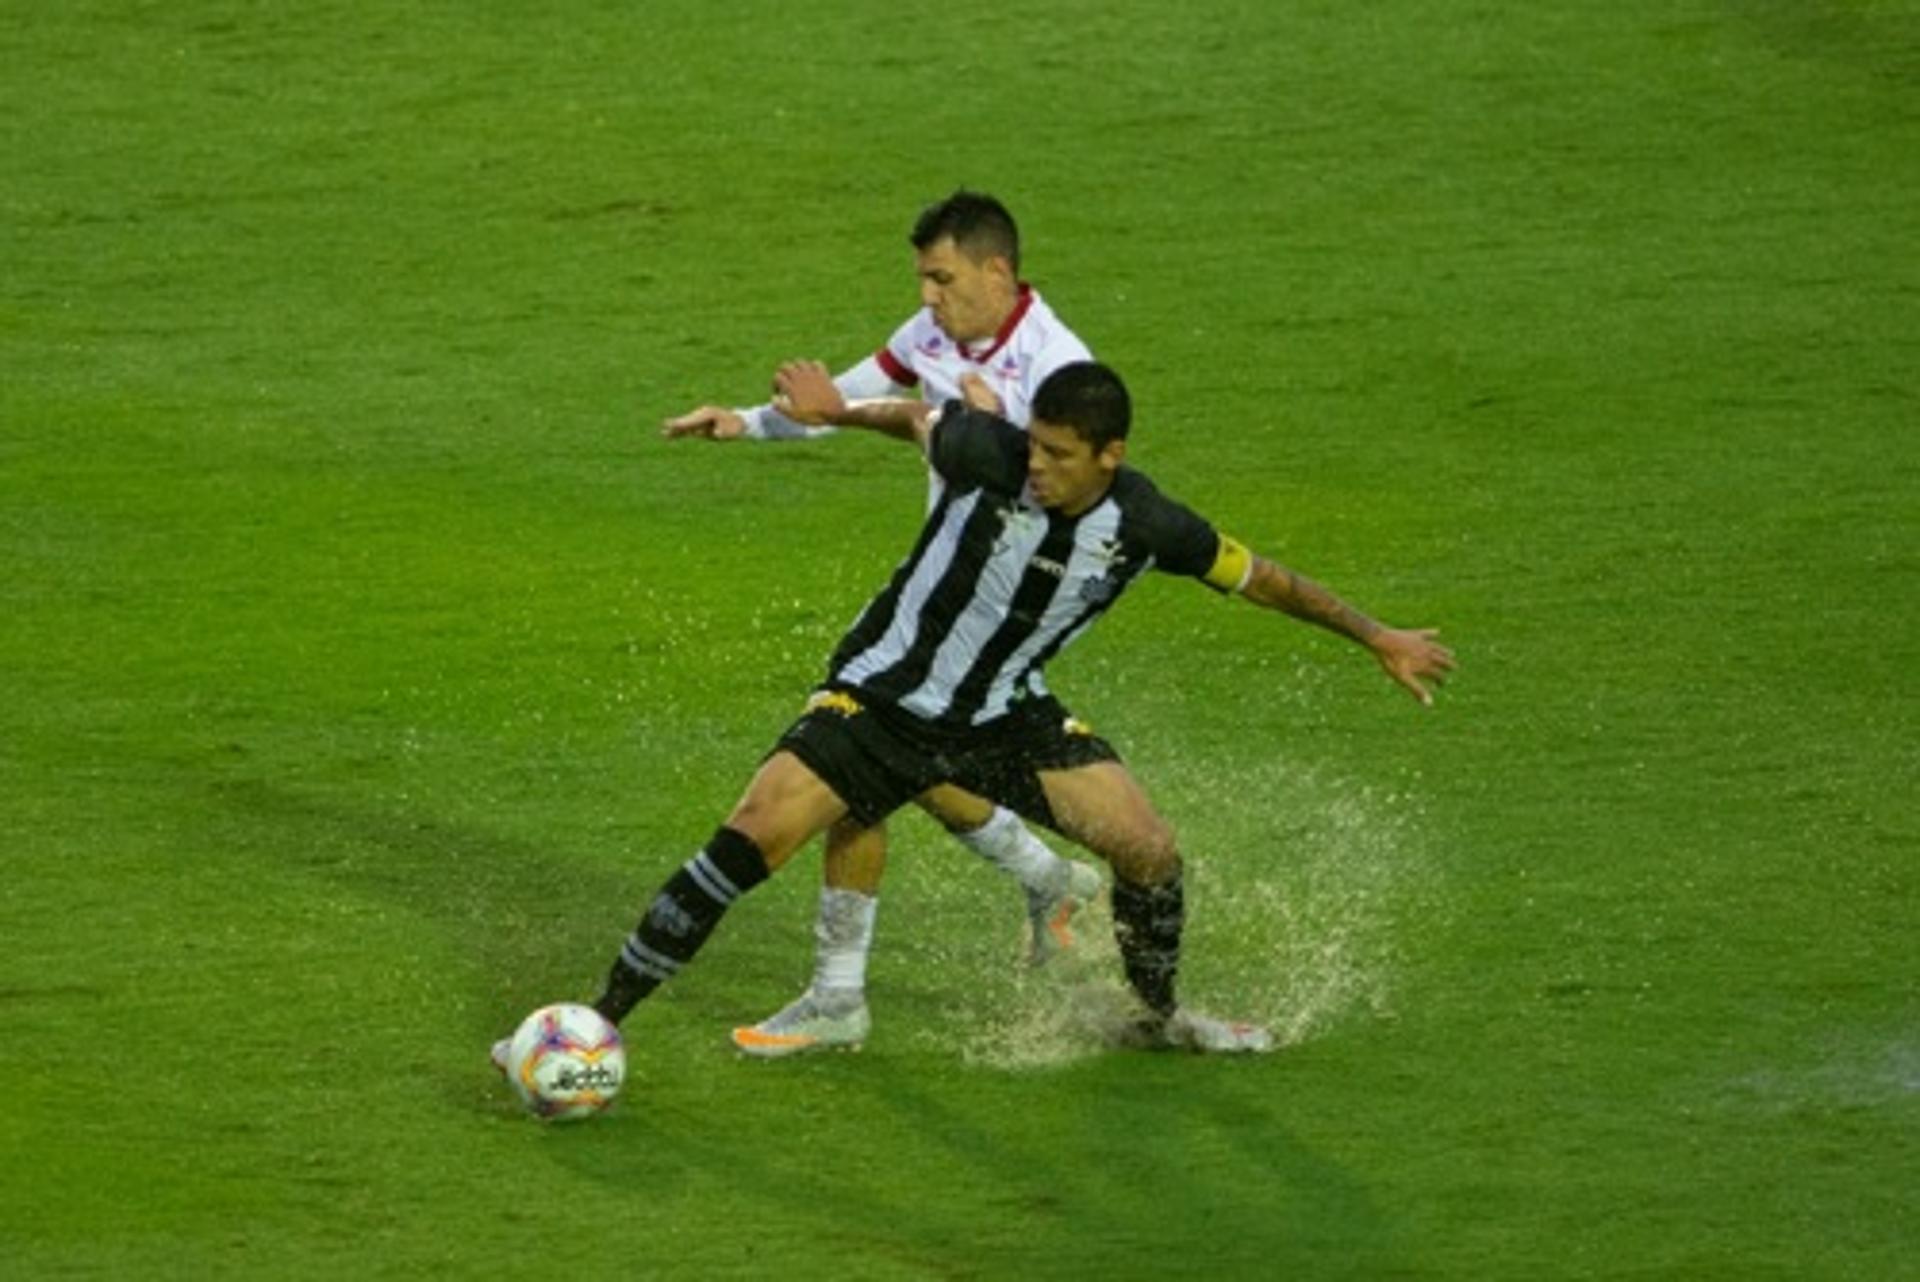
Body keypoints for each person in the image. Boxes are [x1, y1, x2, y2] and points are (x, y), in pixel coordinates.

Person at [497, 360, 1453, 1064]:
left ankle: (1157, 1020)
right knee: (750, 838)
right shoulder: (988, 453)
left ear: (1110, 457)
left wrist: (1377, 637)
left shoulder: (1151, 525)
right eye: (1032, 445)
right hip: (880, 700)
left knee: (1150, 851)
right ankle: (594, 1024)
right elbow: (915, 420)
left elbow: (1264, 580)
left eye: (1059, 455)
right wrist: (834, 413)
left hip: (1005, 720)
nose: (1035, 465)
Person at [662, 191, 1108, 1057]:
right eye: (922, 280)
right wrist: (744, 425)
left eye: (943, 279)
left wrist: (974, 422)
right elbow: (848, 399)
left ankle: (845, 996)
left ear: (998, 273)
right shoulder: (932, 333)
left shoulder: (1059, 372)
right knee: (891, 757)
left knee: (855, 743)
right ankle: (1048, 883)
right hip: (942, 592)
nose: (930, 297)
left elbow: (1050, 492)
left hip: (1005, 603)